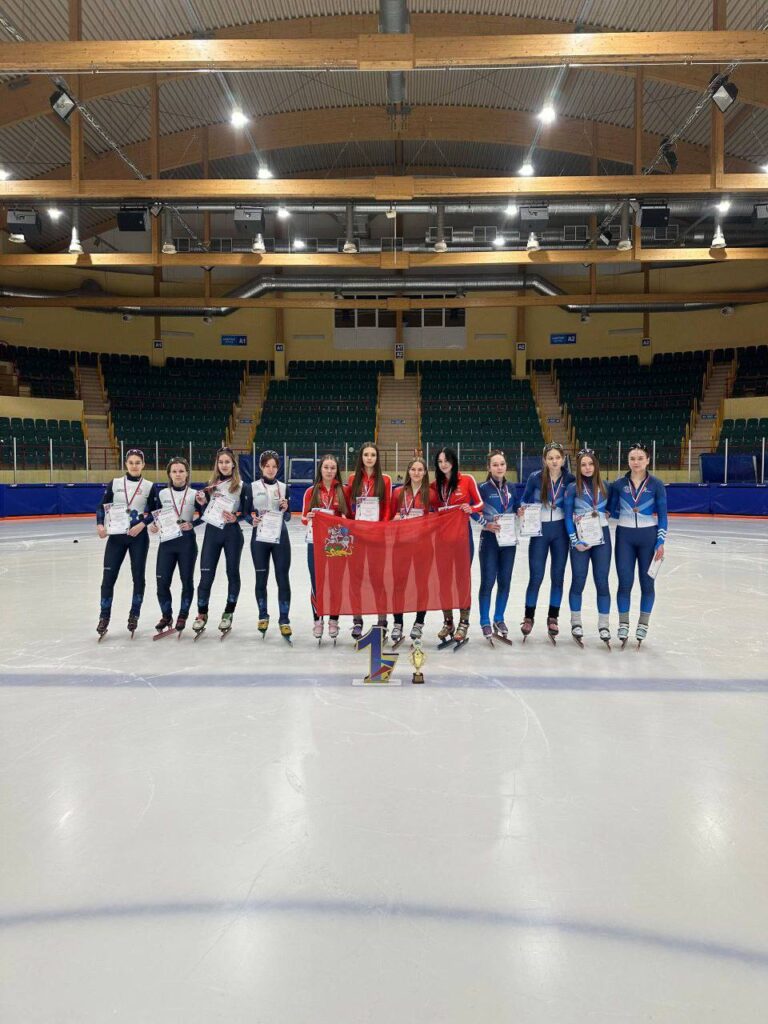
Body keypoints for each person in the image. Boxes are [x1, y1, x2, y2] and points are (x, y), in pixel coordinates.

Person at [608, 442, 667, 646]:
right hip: (624, 537)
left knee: (647, 583)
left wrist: (660, 541)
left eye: (640, 458)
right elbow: (610, 510)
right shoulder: (618, 485)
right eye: (632, 458)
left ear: (648, 460)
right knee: (625, 582)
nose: (636, 462)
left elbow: (663, 516)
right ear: (628, 461)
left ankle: (643, 623)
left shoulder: (656, 484)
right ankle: (623, 623)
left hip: (648, 537)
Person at [95, 447, 155, 638]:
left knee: (138, 577)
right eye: (131, 463)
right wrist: (100, 525)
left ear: (143, 464)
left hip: (138, 538)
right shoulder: (115, 483)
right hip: (116, 537)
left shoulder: (149, 486)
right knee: (108, 578)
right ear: (126, 464)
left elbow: (156, 511)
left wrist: (143, 525)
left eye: (138, 463)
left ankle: (134, 614)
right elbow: (101, 506)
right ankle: (104, 617)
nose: (134, 466)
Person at [519, 441, 575, 642]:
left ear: (563, 459)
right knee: (536, 576)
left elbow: (577, 504)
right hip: (539, 532)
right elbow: (524, 499)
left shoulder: (570, 479)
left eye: (557, 457)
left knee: (557, 577)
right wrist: (522, 509)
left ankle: (553, 617)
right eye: (550, 458)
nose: (554, 461)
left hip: (561, 532)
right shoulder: (535, 478)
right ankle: (528, 617)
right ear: (544, 460)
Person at [429, 446, 483, 646]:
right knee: (444, 581)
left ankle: (464, 622)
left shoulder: (466, 480)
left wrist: (471, 508)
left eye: (446, 460)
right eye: (440, 461)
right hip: (442, 539)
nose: (443, 464)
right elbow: (430, 510)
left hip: (462, 538)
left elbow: (480, 503)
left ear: (453, 461)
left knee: (461, 581)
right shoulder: (435, 485)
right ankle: (448, 622)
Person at [192, 447, 244, 638]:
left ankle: (228, 612)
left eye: (227, 462)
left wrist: (236, 517)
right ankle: (202, 613)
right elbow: (204, 513)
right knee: (206, 575)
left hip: (232, 535)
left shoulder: (241, 486)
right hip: (212, 534)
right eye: (221, 462)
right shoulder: (209, 485)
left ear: (233, 464)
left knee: (232, 573)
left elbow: (247, 512)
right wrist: (201, 503)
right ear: (217, 464)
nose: (224, 465)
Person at [241, 449, 292, 642]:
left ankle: (284, 618)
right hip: (260, 538)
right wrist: (251, 520)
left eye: (274, 466)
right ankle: (263, 615)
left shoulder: (284, 487)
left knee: (282, 578)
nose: (271, 469)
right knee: (261, 578)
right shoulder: (251, 487)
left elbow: (287, 517)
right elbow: (245, 513)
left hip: (280, 538)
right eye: (267, 466)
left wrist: (286, 509)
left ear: (278, 468)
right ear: (261, 467)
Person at [563, 448, 612, 647]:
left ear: (596, 465)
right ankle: (576, 622)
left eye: (591, 463)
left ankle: (604, 624)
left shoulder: (606, 486)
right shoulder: (572, 488)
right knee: (578, 580)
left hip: (602, 539)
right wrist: (574, 541)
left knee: (602, 581)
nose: (587, 468)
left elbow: (614, 508)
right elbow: (567, 517)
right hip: (580, 540)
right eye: (583, 464)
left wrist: (608, 512)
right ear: (578, 467)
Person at [345, 441, 392, 640]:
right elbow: (349, 508)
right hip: (357, 537)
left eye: (373, 455)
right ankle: (357, 620)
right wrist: (351, 524)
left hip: (376, 537)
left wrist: (381, 528)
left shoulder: (385, 480)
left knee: (377, 579)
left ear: (377, 458)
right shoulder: (352, 478)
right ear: (361, 457)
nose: (369, 458)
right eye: (366, 455)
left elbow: (387, 508)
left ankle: (382, 620)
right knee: (355, 579)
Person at [149, 456, 200, 636]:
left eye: (181, 471)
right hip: (167, 542)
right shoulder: (162, 494)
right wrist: (153, 525)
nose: (178, 474)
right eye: (174, 471)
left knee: (186, 581)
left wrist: (193, 524)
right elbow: (154, 515)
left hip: (187, 542)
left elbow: (205, 515)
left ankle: (183, 615)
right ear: (169, 474)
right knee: (162, 582)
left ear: (187, 474)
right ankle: (166, 615)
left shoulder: (194, 494)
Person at [302, 454, 350, 642]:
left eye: (332, 468)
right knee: (316, 582)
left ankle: (334, 620)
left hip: (336, 543)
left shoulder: (343, 491)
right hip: (315, 542)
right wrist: (309, 518)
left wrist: (345, 520)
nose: (329, 471)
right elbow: (304, 517)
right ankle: (318, 619)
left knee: (336, 582)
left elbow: (350, 517)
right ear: (320, 469)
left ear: (337, 470)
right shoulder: (311, 491)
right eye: (326, 467)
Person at [476, 449, 519, 644]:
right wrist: (486, 524)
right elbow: (471, 511)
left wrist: (521, 510)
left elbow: (517, 507)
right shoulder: (482, 488)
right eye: (495, 465)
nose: (499, 467)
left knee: (505, 581)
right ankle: (484, 620)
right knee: (488, 581)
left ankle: (499, 618)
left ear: (506, 466)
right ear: (489, 467)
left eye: (502, 464)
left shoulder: (512, 488)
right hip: (490, 540)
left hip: (508, 541)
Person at [389, 456, 431, 645]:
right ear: (408, 471)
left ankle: (419, 623)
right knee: (399, 584)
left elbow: (437, 517)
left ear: (425, 472)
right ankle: (397, 623)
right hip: (401, 545)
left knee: (422, 584)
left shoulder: (431, 493)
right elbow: (390, 516)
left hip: (423, 546)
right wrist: (395, 519)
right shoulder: (398, 492)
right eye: (413, 469)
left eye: (420, 470)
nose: (416, 473)